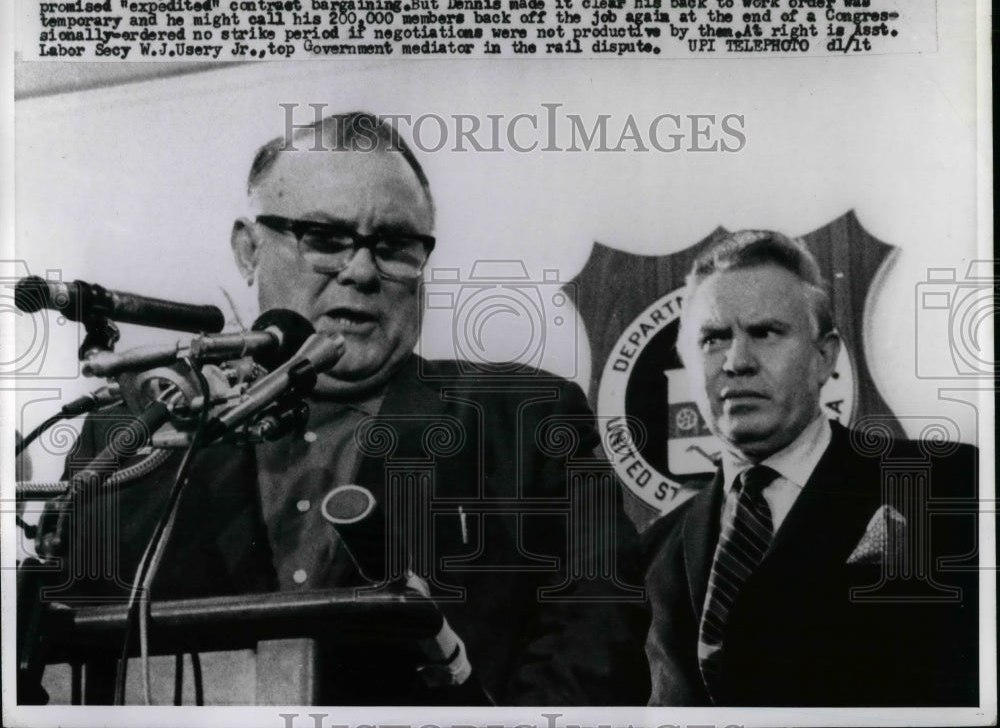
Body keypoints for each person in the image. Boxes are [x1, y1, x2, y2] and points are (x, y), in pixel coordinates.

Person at [31, 112, 649, 705]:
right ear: (248, 250)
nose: (360, 271)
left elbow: (599, 649)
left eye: (394, 245)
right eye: (324, 239)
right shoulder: (133, 435)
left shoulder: (528, 421)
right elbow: (58, 654)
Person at [643, 229, 979, 706]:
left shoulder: (951, 485)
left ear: (825, 357)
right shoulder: (655, 554)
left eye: (765, 332)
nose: (737, 361)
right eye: (714, 338)